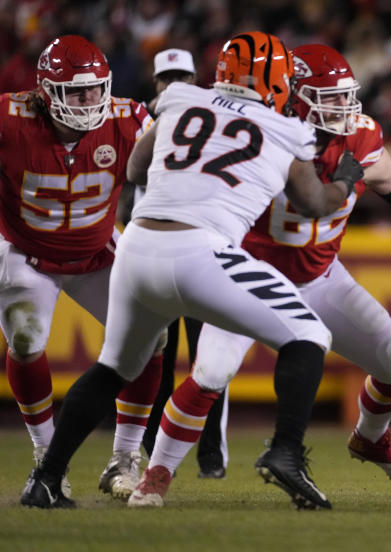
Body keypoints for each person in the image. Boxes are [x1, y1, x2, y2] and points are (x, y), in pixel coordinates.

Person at [127, 43, 391, 506]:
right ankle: (154, 476)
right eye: (330, 97)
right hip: (245, 274)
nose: (343, 107)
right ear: (294, 96)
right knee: (211, 372)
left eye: (345, 97)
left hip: (319, 277)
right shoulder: (264, 131)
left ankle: (370, 439)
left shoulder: (359, 135)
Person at [20, 30, 363, 510]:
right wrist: (346, 181)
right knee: (307, 334)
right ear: (281, 83)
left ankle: (46, 479)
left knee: (114, 367)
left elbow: (137, 170)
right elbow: (313, 204)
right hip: (202, 249)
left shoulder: (181, 101)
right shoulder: (282, 129)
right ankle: (285, 452)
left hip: (138, 246)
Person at [0, 34, 164, 501]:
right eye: (76, 92)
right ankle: (46, 456)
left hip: (95, 251)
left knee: (151, 338)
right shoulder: (9, 120)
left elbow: (179, 164)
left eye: (96, 89)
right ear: (46, 92)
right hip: (26, 252)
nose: (90, 100)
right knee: (27, 341)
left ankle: (124, 457)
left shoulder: (128, 119)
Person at [138, 48, 229, 479]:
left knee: (207, 359)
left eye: (182, 77)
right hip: (155, 253)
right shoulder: (140, 121)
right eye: (166, 78)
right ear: (155, 84)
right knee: (157, 358)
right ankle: (152, 446)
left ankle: (211, 453)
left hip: (201, 250)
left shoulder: (213, 123)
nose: (174, 84)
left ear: (195, 80)